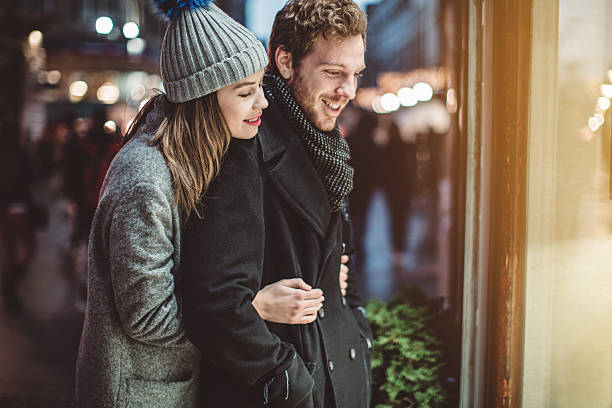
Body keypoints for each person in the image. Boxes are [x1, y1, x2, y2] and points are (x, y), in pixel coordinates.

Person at [73, 1, 325, 407]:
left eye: (260, 86)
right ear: (201, 99)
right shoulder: (145, 178)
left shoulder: (197, 156)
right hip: (137, 394)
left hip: (174, 386)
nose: (261, 102)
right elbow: (148, 317)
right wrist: (250, 309)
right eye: (245, 92)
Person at [182, 1, 372, 407]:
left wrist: (359, 328)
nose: (349, 91)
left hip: (334, 366)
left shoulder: (327, 144)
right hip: (285, 385)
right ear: (285, 62)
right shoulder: (245, 144)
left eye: (356, 74)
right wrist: (285, 377)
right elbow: (214, 301)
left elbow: (340, 257)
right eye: (334, 73)